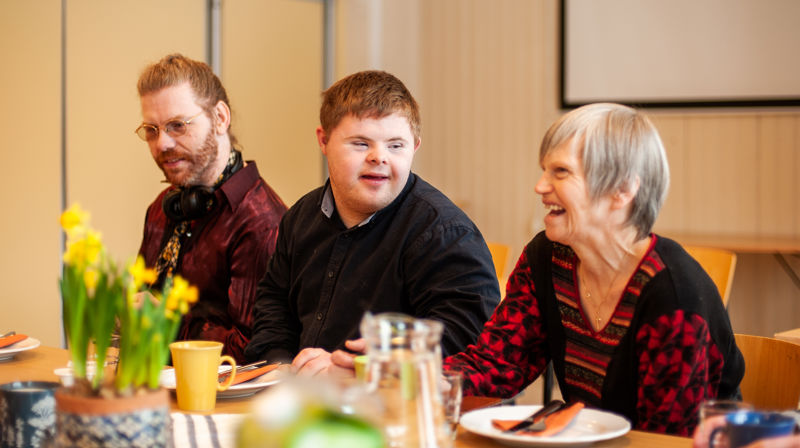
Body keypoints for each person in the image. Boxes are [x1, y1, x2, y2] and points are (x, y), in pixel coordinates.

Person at [441, 103, 745, 436]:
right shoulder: (547, 257)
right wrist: (422, 378)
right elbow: (498, 363)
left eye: (561, 172)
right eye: (545, 170)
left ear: (622, 190)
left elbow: (666, 440)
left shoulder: (673, 295)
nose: (540, 186)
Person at [244, 70, 500, 374]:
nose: (379, 157)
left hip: (396, 406)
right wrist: (280, 366)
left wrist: (367, 367)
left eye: (396, 145)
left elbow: (469, 343)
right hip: (302, 399)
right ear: (323, 140)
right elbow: (274, 307)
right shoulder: (300, 217)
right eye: (361, 144)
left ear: (415, 146)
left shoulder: (445, 233)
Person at [135, 54, 287, 363]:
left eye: (177, 125)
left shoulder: (260, 221)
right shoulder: (162, 209)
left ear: (220, 118)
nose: (162, 144)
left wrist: (166, 320)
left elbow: (250, 352)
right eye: (151, 130)